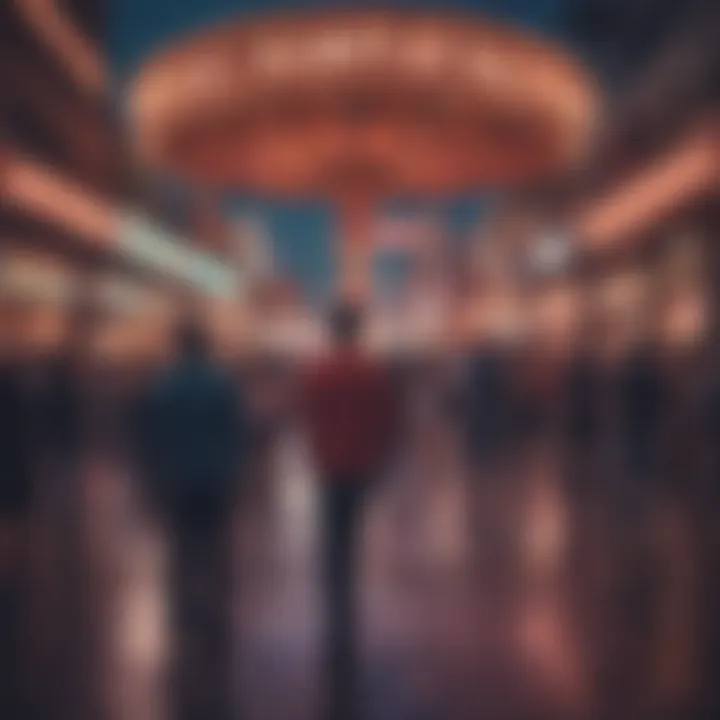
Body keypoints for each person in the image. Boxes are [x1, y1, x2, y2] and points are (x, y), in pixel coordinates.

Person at [136, 319, 247, 720]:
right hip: (215, 477)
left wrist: (149, 480)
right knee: (214, 546)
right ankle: (213, 606)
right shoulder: (222, 383)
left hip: (176, 477)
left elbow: (149, 435)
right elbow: (236, 432)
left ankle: (182, 607)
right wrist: (238, 474)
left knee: (181, 547)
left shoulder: (163, 385)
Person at [302, 303, 400, 719]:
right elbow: (390, 419)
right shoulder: (371, 373)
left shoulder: (318, 371)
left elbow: (303, 413)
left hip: (327, 461)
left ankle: (334, 584)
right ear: (358, 330)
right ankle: (347, 582)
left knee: (330, 527)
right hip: (361, 461)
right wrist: (381, 456)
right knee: (352, 526)